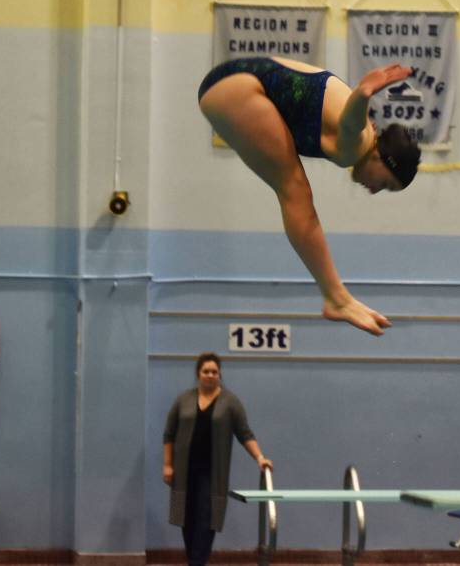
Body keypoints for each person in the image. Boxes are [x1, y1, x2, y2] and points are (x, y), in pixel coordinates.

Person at [198, 56, 422, 336]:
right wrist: (363, 93)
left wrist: (361, 96)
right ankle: (336, 298)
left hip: (236, 82)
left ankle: (336, 297)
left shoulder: (362, 136)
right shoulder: (359, 144)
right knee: (295, 190)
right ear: (379, 158)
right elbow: (350, 125)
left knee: (294, 187)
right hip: (238, 88)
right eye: (385, 184)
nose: (375, 191)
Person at [163, 353, 272, 566]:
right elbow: (169, 434)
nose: (210, 375)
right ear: (198, 374)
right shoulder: (183, 399)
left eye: (214, 372)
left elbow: (245, 434)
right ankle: (194, 560)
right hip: (185, 471)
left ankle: (197, 562)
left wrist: (260, 457)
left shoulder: (230, 402)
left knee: (207, 518)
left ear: (219, 374)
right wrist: (167, 465)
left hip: (213, 473)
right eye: (206, 371)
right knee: (187, 519)